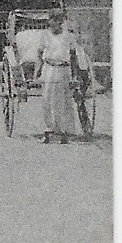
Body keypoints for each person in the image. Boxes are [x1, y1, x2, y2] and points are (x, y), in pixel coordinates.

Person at [37, 11, 90, 144]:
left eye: (59, 21)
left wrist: (74, 74)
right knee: (47, 100)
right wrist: (37, 71)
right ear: (49, 21)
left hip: (63, 70)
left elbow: (73, 56)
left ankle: (64, 132)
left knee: (63, 101)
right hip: (49, 69)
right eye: (54, 20)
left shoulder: (68, 36)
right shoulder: (45, 36)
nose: (56, 23)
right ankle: (48, 130)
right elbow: (39, 53)